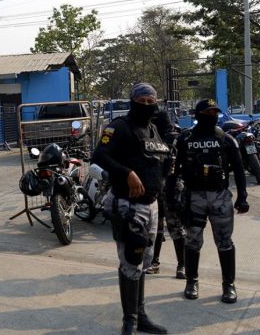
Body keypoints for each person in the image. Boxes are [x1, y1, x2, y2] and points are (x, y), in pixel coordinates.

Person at [93, 83, 169, 335]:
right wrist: (127, 173)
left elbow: (160, 159)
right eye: (142, 101)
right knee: (130, 260)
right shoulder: (119, 127)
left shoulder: (153, 129)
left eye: (151, 101)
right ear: (132, 101)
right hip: (127, 204)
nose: (147, 106)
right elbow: (100, 155)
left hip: (152, 204)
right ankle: (130, 321)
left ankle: (141, 316)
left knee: (143, 262)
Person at [172, 98, 249, 303]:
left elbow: (240, 170)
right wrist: (172, 197)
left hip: (220, 197)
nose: (212, 116)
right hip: (193, 196)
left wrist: (242, 197)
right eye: (207, 112)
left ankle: (229, 285)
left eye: (215, 112)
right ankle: (191, 281)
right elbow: (174, 170)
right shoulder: (184, 139)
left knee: (224, 242)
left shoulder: (226, 139)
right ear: (197, 115)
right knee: (193, 240)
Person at [144, 107, 186, 279]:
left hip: (171, 188)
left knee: (172, 227)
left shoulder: (173, 139)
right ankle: (158, 262)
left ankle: (181, 264)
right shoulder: (152, 138)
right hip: (156, 189)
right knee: (158, 228)